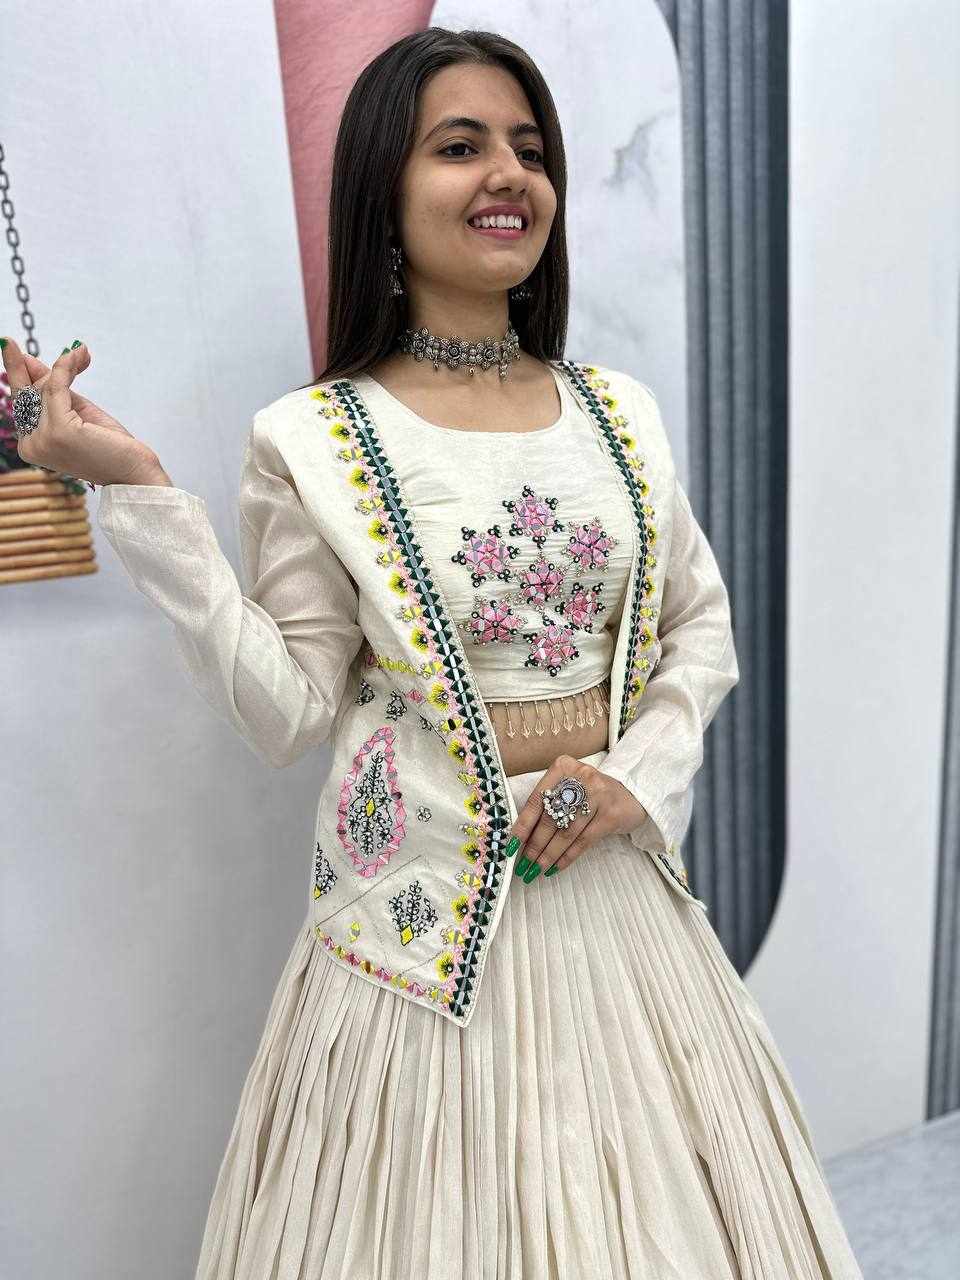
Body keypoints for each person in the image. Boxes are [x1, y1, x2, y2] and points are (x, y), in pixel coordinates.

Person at [5, 27, 864, 1280]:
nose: (508, 175)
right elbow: (287, 709)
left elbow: (701, 628)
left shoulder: (618, 414)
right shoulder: (311, 438)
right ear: (383, 192)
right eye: (460, 147)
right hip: (416, 952)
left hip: (620, 915)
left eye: (530, 149)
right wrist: (138, 486)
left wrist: (638, 777)